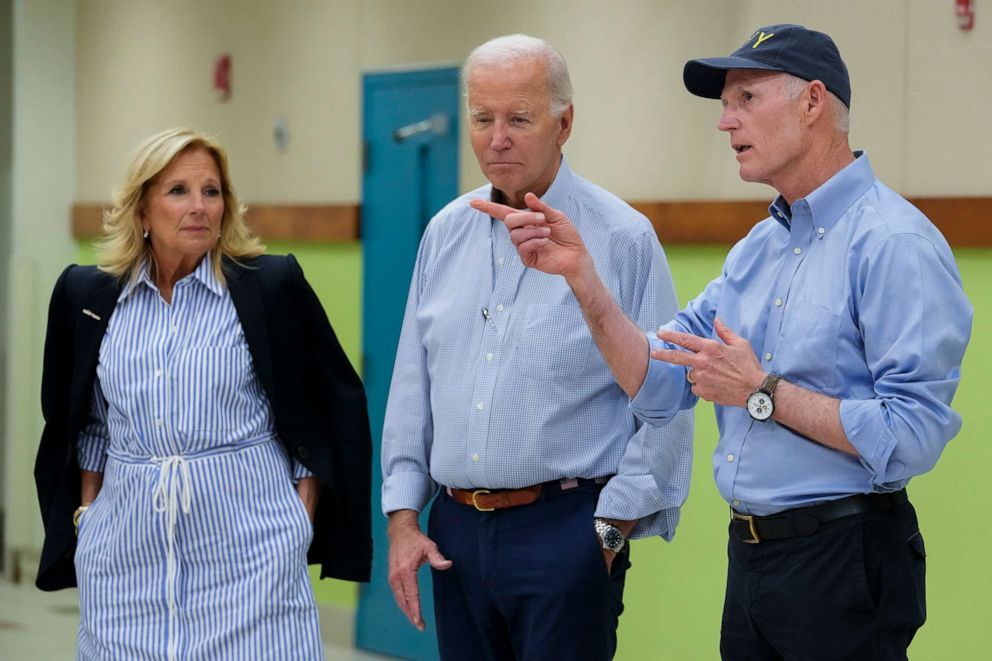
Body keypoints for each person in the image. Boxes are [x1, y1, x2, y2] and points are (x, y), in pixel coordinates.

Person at [475, 24, 973, 660]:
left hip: (846, 558)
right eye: (723, 103)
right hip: (753, 558)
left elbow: (912, 435)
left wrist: (761, 392)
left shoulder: (894, 243)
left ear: (813, 102)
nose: (724, 121)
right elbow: (658, 379)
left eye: (745, 99)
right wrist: (583, 280)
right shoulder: (757, 249)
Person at [381, 34, 693, 660]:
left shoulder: (623, 237)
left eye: (519, 119)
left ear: (564, 122)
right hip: (457, 534)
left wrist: (606, 533)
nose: (498, 138)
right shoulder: (445, 232)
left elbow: (669, 397)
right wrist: (403, 519)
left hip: (566, 532)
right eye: (482, 118)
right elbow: (413, 384)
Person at [34, 127, 372, 660]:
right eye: (178, 192)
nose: (200, 207)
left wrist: (297, 523)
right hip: (126, 551)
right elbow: (84, 423)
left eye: (211, 192)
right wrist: (87, 515)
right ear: (141, 210)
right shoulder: (87, 294)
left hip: (250, 551)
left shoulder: (269, 286)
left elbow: (326, 407)